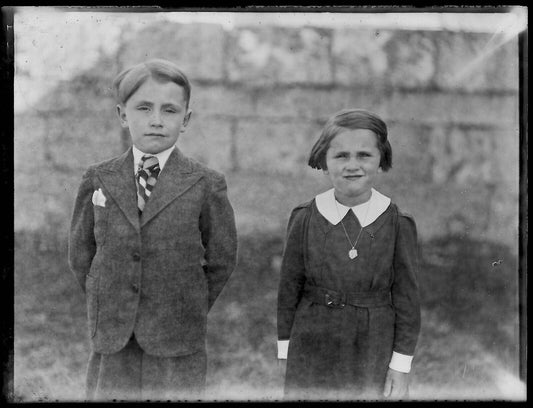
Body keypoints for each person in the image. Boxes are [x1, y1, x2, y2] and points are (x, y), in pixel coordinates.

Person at [68, 59, 237, 401]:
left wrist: (188, 302)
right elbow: (81, 255)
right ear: (122, 115)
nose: (157, 120)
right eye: (144, 108)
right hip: (114, 330)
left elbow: (222, 259)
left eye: (170, 110)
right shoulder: (99, 178)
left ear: (186, 119)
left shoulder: (206, 183)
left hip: (176, 331)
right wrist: (110, 298)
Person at [277, 108, 421, 400]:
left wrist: (400, 366)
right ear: (324, 161)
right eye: (341, 156)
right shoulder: (305, 217)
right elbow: (288, 289)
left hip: (372, 344)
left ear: (381, 160)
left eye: (364, 155)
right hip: (312, 340)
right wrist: (285, 351)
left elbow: (408, 300)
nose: (352, 165)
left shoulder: (396, 222)